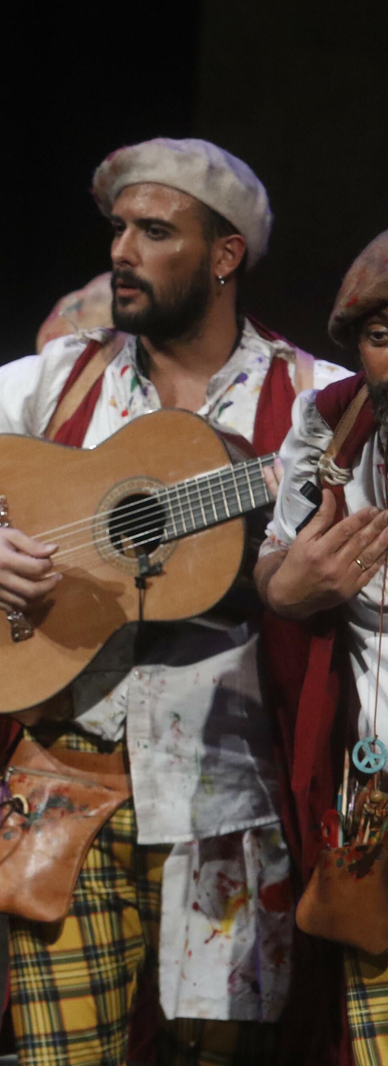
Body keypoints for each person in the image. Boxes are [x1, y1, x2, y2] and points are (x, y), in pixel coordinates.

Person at [0, 137, 350, 1065]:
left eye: (155, 232)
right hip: (57, 793)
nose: (122, 250)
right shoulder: (60, 379)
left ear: (225, 255)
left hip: (226, 803)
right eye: (119, 229)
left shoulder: (316, 406)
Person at [257, 226, 388, 1064]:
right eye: (381, 336)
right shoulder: (334, 426)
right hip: (376, 804)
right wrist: (289, 587)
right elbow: (275, 563)